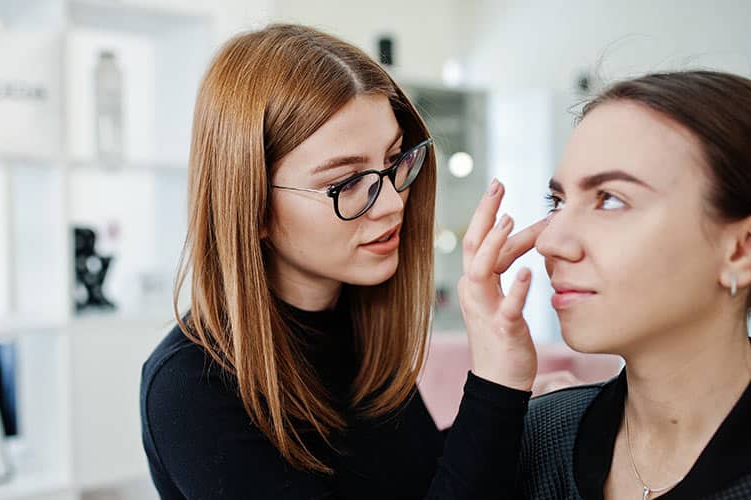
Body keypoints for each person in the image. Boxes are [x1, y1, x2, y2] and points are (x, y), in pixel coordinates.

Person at [139, 24, 544, 499]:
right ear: (251, 208)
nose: (393, 202)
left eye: (395, 161)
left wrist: (520, 414)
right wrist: (497, 385)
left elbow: (417, 482)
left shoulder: (357, 325)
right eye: (346, 182)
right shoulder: (191, 389)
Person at [459, 70, 751, 499]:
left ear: (740, 251)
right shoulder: (532, 438)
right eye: (556, 202)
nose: (551, 241)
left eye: (610, 199)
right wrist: (495, 384)